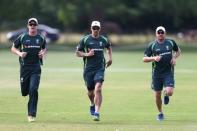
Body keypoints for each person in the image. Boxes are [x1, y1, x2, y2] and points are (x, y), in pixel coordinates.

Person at [11, 18, 47, 122]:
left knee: (33, 89)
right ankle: (25, 91)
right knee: (24, 92)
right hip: (24, 68)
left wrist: (42, 53)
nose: (32, 26)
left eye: (34, 24)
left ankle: (31, 114)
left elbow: (44, 48)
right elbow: (13, 48)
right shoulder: (22, 37)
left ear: (37, 26)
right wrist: (20, 53)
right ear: (28, 26)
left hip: (36, 68)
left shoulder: (41, 38)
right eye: (30, 24)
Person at [75, 21, 112, 121]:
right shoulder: (85, 39)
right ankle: (92, 103)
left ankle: (97, 112)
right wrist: (87, 54)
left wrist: (110, 58)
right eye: (94, 28)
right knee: (90, 92)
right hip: (88, 70)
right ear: (91, 28)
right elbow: (77, 53)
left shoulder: (103, 39)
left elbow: (109, 47)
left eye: (97, 28)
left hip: (100, 68)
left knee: (98, 88)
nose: (95, 30)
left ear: (100, 29)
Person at [143, 26, 181, 121]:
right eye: (159, 32)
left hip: (168, 72)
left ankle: (166, 94)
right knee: (157, 95)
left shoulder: (171, 42)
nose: (160, 34)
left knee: (170, 92)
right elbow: (144, 58)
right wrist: (153, 58)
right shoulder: (152, 45)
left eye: (162, 32)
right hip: (157, 74)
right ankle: (160, 113)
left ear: (165, 33)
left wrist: (174, 58)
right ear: (156, 34)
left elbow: (178, 51)